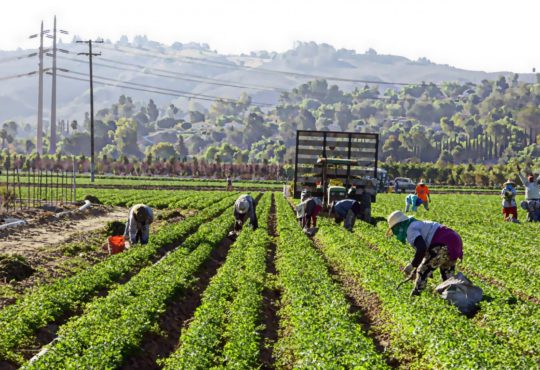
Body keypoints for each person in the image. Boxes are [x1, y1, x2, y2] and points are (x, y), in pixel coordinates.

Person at [386, 210, 463, 296]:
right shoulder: (416, 224)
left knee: (422, 270)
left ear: (398, 226)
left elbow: (421, 248)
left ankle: (416, 295)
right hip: (454, 241)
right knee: (447, 276)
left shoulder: (410, 229)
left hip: (443, 244)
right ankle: (454, 297)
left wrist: (413, 265)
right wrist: (415, 270)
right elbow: (425, 253)